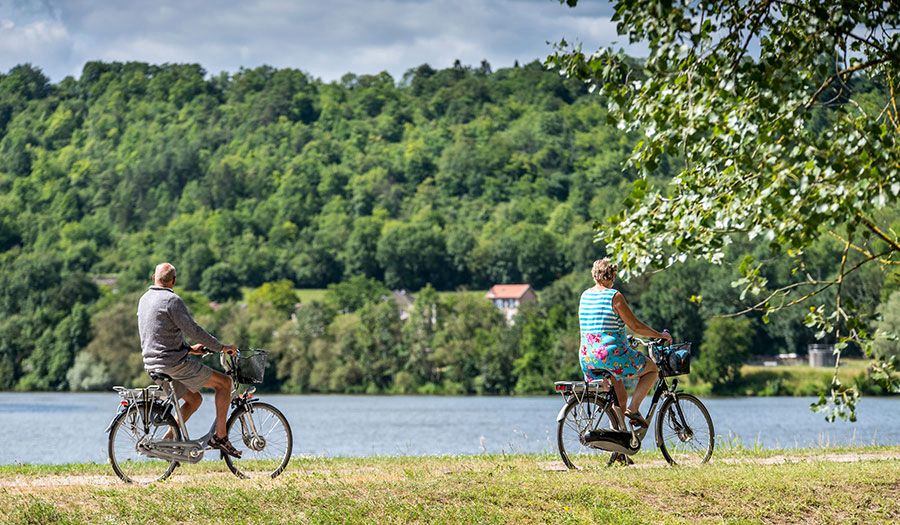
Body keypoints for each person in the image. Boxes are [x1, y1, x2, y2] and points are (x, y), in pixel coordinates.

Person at [137, 262, 242, 457]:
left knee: (194, 400)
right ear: (174, 281)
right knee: (225, 383)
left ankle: (166, 442)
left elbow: (158, 334)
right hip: (173, 365)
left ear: (154, 278)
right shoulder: (172, 300)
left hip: (152, 364)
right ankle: (221, 437)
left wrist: (190, 349)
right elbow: (194, 331)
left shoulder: (144, 299)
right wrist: (221, 347)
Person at [578, 258, 672, 427]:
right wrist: (660, 335)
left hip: (587, 357)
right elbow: (636, 326)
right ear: (613, 276)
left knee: (620, 399)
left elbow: (598, 327)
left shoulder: (585, 296)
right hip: (610, 356)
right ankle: (634, 409)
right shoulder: (614, 296)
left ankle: (618, 440)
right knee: (652, 370)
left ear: (594, 275)